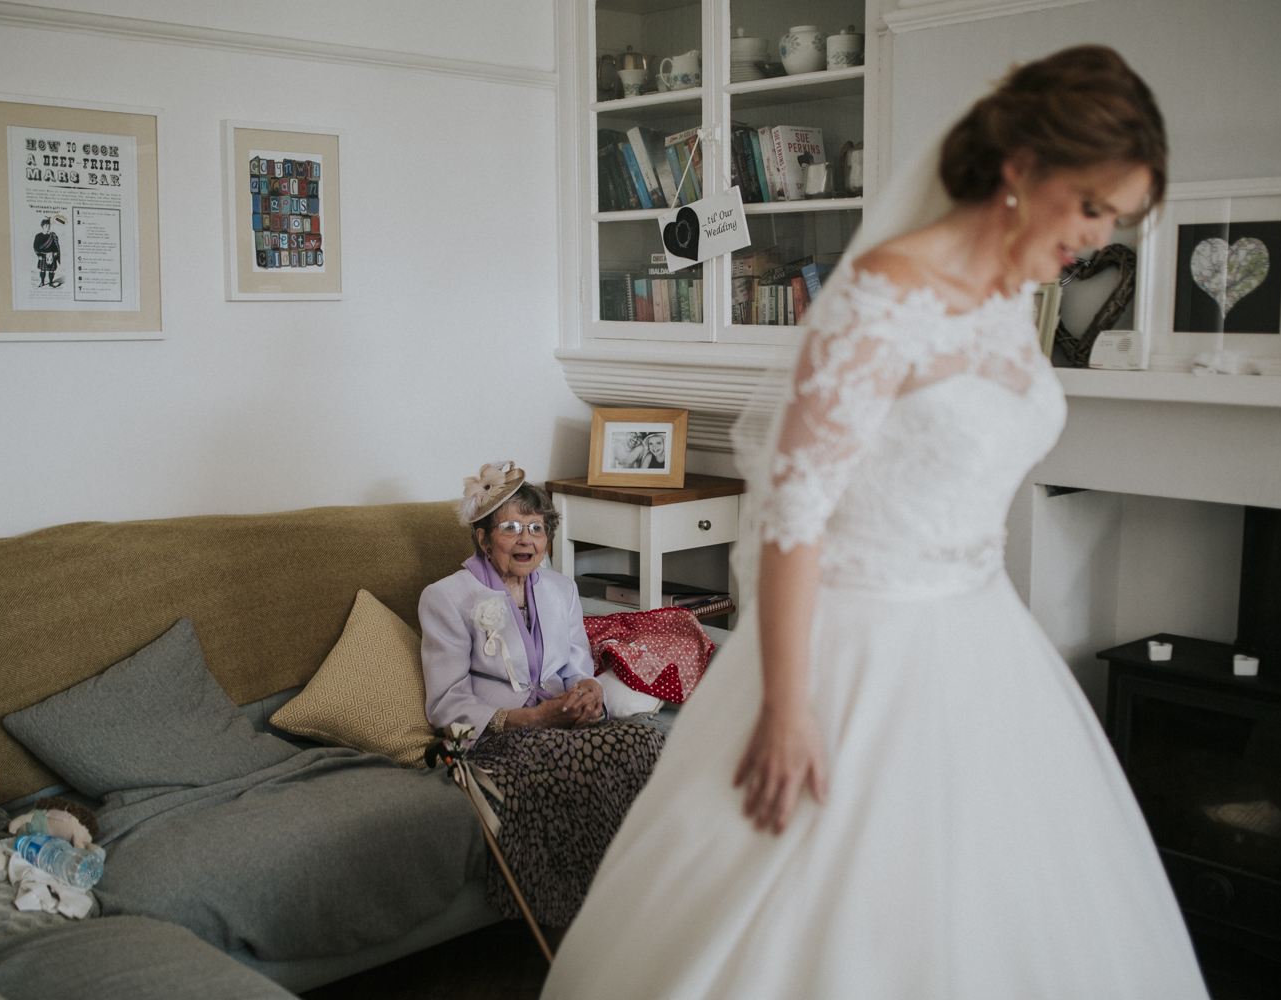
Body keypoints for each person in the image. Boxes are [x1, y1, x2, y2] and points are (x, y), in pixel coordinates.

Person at [543, 46, 1209, 998]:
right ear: (1022, 168)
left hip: (985, 645)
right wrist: (785, 703)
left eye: (1117, 217)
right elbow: (790, 511)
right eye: (1092, 205)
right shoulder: (881, 296)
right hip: (854, 645)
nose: (1097, 234)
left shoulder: (1014, 296)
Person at [419, 460, 666, 928]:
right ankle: (573, 915)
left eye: (536, 528)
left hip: (564, 726)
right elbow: (446, 705)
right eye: (511, 528)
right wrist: (533, 720)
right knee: (576, 766)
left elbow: (576, 670)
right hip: (501, 736)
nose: (526, 539)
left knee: (646, 743)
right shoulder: (447, 597)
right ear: (483, 538)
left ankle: (637, 897)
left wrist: (589, 691)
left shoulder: (561, 589)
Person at [33, 218, 60, 287]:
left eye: (49, 226)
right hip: (43, 255)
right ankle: (42, 282)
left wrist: (55, 253)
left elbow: (56, 246)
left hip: (51, 256)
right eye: (46, 226)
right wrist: (39, 255)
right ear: (43, 226)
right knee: (43, 270)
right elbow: (35, 247)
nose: (48, 227)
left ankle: (50, 283)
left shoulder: (53, 236)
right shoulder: (38, 236)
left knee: (51, 270)